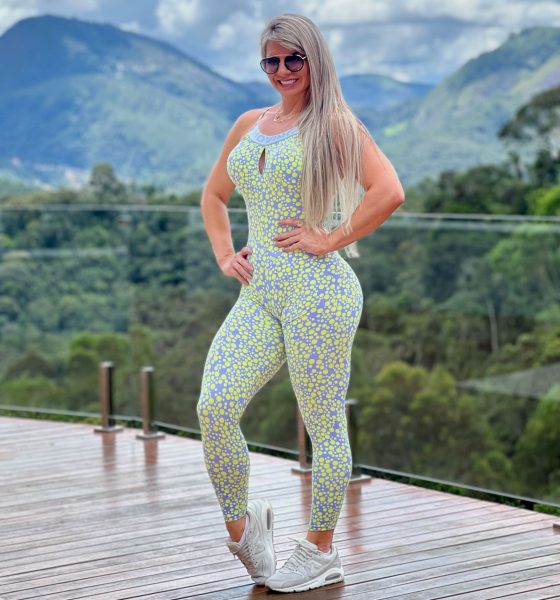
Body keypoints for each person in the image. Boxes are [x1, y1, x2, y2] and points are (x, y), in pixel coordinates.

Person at [196, 12, 405, 593]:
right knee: (214, 407)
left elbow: (389, 191)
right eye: (272, 60)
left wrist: (331, 239)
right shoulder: (249, 123)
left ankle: (321, 549)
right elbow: (214, 195)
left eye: (294, 59)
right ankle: (246, 535)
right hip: (259, 293)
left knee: (323, 425)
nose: (282, 70)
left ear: (314, 60)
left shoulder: (334, 124)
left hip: (320, 293)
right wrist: (225, 254)